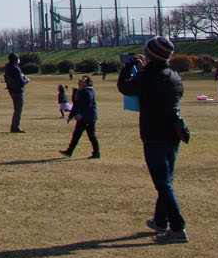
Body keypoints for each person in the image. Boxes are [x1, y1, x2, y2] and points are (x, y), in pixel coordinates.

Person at [117, 37, 189, 243]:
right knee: (166, 179)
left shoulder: (148, 76)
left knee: (163, 183)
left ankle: (177, 227)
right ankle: (160, 221)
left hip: (154, 134)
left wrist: (128, 67)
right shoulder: (174, 76)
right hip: (173, 132)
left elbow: (126, 88)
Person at [60, 75, 100, 158]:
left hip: (88, 117)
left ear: (86, 83)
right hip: (82, 118)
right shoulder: (79, 91)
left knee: (91, 135)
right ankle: (69, 151)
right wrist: (71, 116)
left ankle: (96, 153)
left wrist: (80, 114)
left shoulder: (88, 92)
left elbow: (87, 106)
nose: (80, 79)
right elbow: (76, 104)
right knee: (76, 135)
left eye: (83, 79)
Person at [3, 53, 28, 132]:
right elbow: (20, 82)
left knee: (16, 109)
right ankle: (15, 127)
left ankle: (15, 126)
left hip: (11, 91)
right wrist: (26, 80)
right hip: (18, 91)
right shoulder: (16, 68)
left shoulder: (7, 68)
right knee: (18, 110)